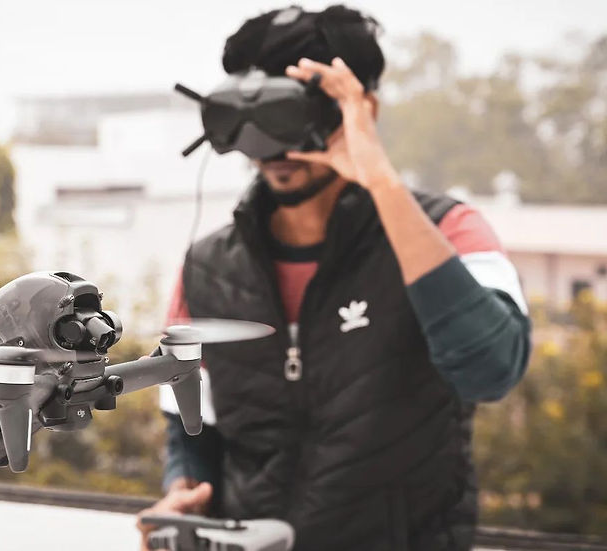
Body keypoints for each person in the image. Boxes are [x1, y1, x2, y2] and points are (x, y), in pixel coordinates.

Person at [136, 5, 531, 550]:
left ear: (362, 106)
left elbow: (490, 372)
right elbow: (190, 427)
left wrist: (378, 177)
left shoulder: (450, 230)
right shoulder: (207, 267)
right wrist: (181, 496)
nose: (273, 145)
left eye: (290, 111)